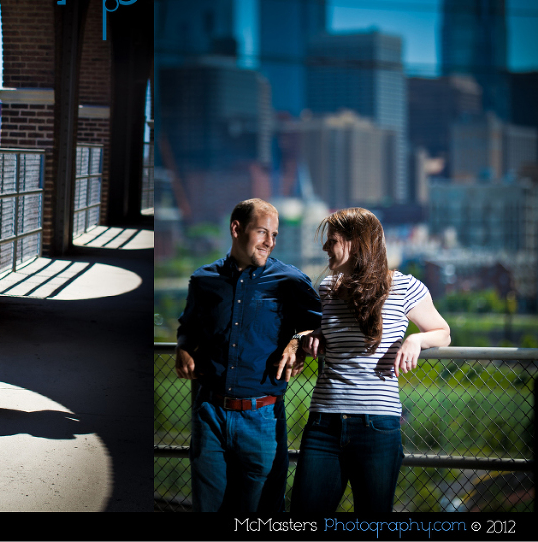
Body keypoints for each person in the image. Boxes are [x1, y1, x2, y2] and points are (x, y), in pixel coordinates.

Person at [290, 208, 451, 516]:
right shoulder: (327, 289)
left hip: (378, 426)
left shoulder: (405, 287)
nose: (325, 248)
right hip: (324, 423)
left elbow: (442, 333)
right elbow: (316, 328)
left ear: (356, 243)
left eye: (332, 241)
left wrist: (415, 340)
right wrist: (313, 334)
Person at [176, 198, 322, 516]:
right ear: (236, 229)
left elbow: (322, 325)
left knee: (260, 514)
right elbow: (188, 326)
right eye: (262, 232)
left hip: (262, 418)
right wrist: (183, 347)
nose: (269, 241)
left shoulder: (292, 281)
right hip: (209, 413)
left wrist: (297, 341)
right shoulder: (203, 280)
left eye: (274, 235)